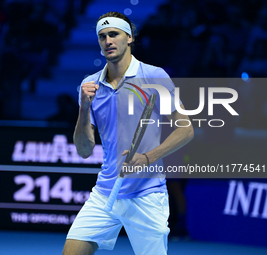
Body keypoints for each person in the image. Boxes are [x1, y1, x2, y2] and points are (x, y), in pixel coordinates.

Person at [62, 12, 194, 255]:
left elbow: (186, 129)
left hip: (147, 194)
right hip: (105, 193)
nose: (108, 41)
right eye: (102, 36)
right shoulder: (91, 85)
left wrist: (148, 157)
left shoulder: (154, 76)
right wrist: (83, 107)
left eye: (114, 34)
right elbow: (83, 150)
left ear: (130, 38)